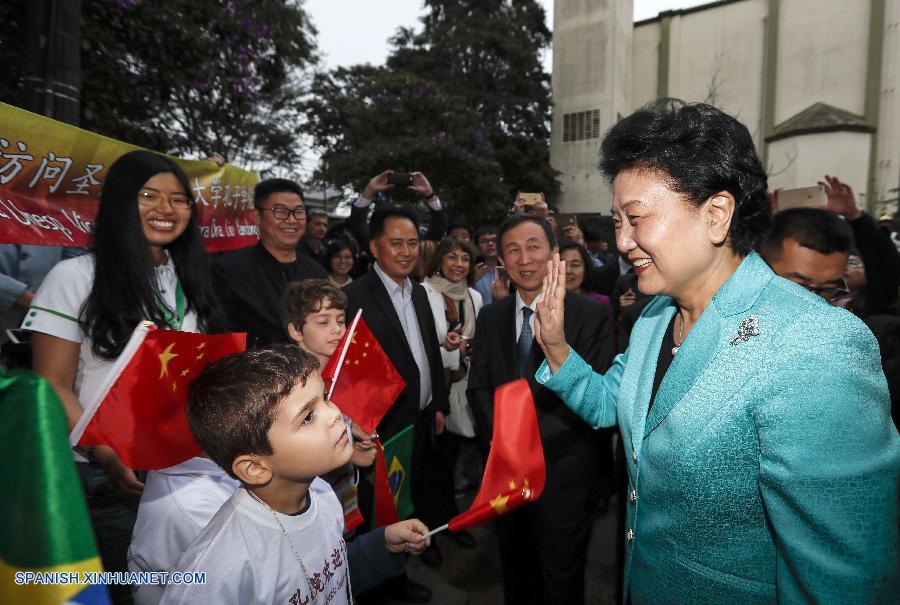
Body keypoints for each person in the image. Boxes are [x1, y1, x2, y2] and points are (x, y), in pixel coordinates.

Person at [532, 99, 900, 604]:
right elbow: (607, 405)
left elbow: (843, 583)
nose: (621, 241)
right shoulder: (653, 319)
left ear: (716, 214)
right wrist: (554, 346)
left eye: (635, 218)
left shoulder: (813, 346)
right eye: (617, 221)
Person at [25, 150, 224, 605]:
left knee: (179, 588)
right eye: (148, 195)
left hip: (183, 468)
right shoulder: (74, 277)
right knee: (119, 592)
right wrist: (105, 452)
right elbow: (51, 384)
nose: (165, 209)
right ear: (118, 203)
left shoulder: (189, 278)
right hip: (102, 475)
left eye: (178, 199)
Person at [160, 346, 431, 604]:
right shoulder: (219, 571)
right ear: (255, 468)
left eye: (324, 398)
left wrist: (380, 545)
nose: (335, 414)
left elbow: (324, 577)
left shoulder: (323, 495)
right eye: (307, 418)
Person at [467, 214, 614, 605]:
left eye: (534, 246)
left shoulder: (590, 315)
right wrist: (503, 445)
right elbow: (479, 387)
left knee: (560, 579)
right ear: (501, 259)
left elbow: (594, 394)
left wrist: (525, 446)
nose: (524, 258)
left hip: (562, 475)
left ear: (553, 254)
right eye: (512, 249)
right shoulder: (491, 316)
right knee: (515, 570)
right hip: (504, 476)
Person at [343, 205, 449, 603]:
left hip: (420, 421)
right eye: (396, 243)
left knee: (407, 503)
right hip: (380, 432)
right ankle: (381, 589)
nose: (406, 252)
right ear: (374, 247)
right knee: (378, 513)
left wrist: (438, 403)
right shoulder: (353, 298)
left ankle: (399, 577)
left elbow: (430, 356)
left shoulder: (420, 292)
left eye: (412, 243)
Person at [421, 237, 484, 552]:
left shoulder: (474, 296)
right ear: (439, 262)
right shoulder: (424, 292)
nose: (459, 264)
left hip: (461, 389)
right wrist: (444, 344)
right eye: (452, 258)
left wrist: (465, 346)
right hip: (433, 392)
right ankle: (427, 532)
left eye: (465, 259)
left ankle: (449, 521)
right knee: (429, 466)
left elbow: (477, 341)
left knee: (450, 461)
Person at [213, 178, 326, 347]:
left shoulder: (317, 273)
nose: (291, 220)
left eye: (299, 211)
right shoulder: (228, 269)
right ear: (256, 216)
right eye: (280, 211)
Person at [472, 226, 499, 305]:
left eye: (494, 240)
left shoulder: (510, 269)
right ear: (477, 247)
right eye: (484, 241)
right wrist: (471, 280)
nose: (490, 244)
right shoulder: (471, 270)